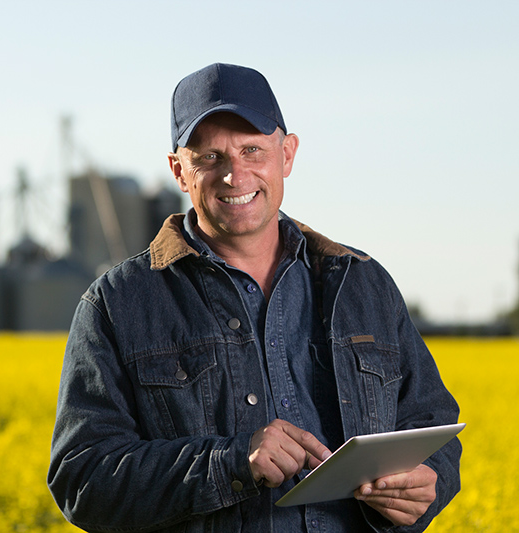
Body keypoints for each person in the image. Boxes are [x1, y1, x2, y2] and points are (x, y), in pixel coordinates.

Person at [48, 63, 461, 532]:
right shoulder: (117, 305)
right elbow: (81, 481)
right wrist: (231, 462)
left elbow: (433, 424)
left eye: (252, 150)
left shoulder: (362, 283)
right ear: (179, 171)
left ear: (287, 155)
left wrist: (430, 480)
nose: (234, 175)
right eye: (209, 158)